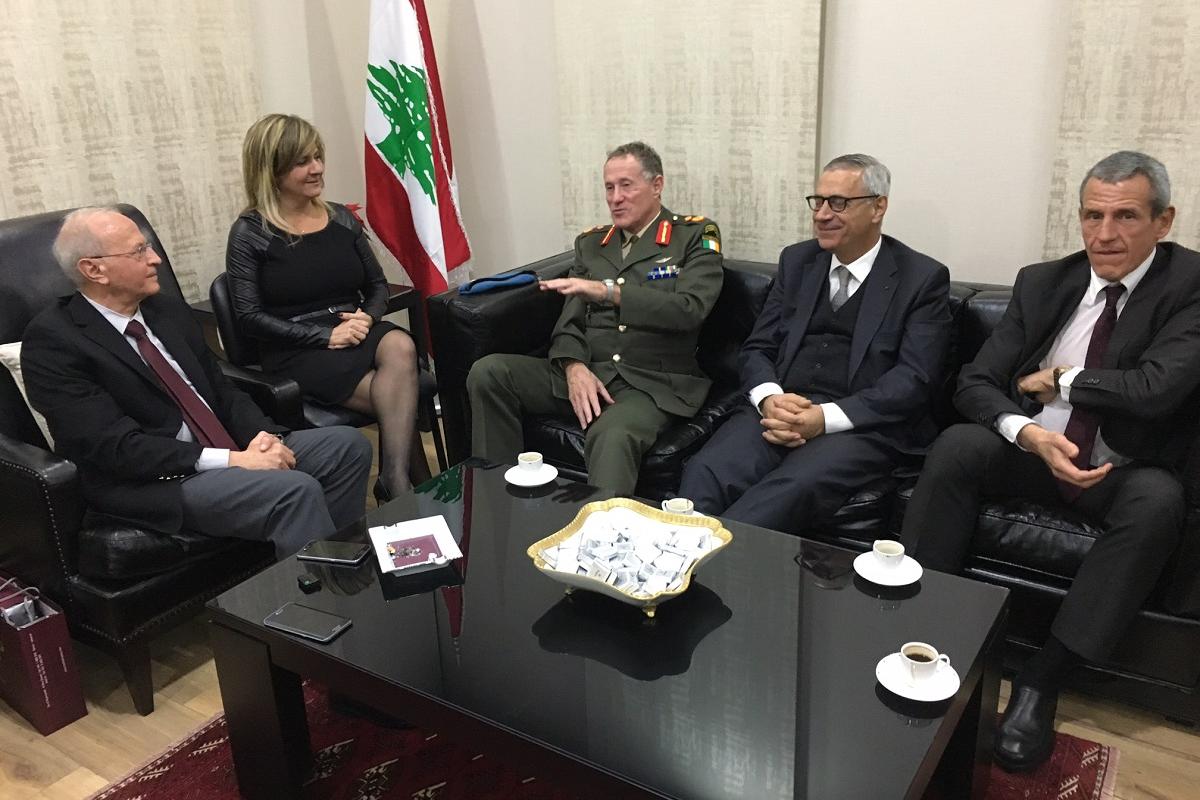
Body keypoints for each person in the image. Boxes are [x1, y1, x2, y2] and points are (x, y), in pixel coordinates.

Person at [899, 151, 1200, 772]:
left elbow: (1155, 390)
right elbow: (974, 382)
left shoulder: (1190, 287)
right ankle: (924, 629)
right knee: (958, 446)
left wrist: (1060, 379)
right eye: (1092, 216)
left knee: (1158, 501)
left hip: (1120, 467)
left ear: (1163, 221)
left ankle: (1042, 680)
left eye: (1125, 217)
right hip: (1035, 451)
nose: (1104, 234)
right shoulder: (1044, 283)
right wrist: (1027, 433)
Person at [21, 207, 373, 558]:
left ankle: (339, 566)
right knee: (293, 490)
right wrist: (232, 461)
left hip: (224, 448)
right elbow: (115, 448)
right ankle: (322, 588)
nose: (156, 259)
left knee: (346, 446)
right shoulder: (54, 341)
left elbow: (222, 389)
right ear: (94, 269)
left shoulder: (165, 310)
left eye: (148, 246)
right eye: (138, 251)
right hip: (155, 480)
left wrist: (264, 438)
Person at [678, 154, 951, 533]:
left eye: (838, 203)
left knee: (785, 492)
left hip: (860, 425)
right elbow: (758, 347)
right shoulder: (797, 261)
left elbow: (913, 380)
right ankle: (672, 561)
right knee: (705, 470)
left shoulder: (921, 278)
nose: (822, 214)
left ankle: (717, 566)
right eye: (818, 201)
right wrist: (770, 398)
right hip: (780, 408)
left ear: (878, 207)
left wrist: (823, 419)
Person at [467, 142, 724, 495]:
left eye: (626, 186)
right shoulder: (591, 244)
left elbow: (689, 309)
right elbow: (570, 321)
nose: (615, 198)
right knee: (490, 373)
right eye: (609, 187)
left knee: (612, 433)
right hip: (592, 371)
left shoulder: (694, 235)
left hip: (650, 384)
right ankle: (498, 502)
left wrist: (608, 292)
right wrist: (572, 366)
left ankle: (600, 529)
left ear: (657, 185)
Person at [225, 113, 425, 502]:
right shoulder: (250, 233)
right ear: (272, 169)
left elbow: (377, 286)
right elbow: (249, 317)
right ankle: (403, 483)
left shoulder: (340, 217)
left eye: (318, 157)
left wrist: (368, 316)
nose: (317, 168)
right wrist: (324, 336)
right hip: (296, 348)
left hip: (355, 329)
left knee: (401, 345)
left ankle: (394, 480)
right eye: (302, 161)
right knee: (399, 397)